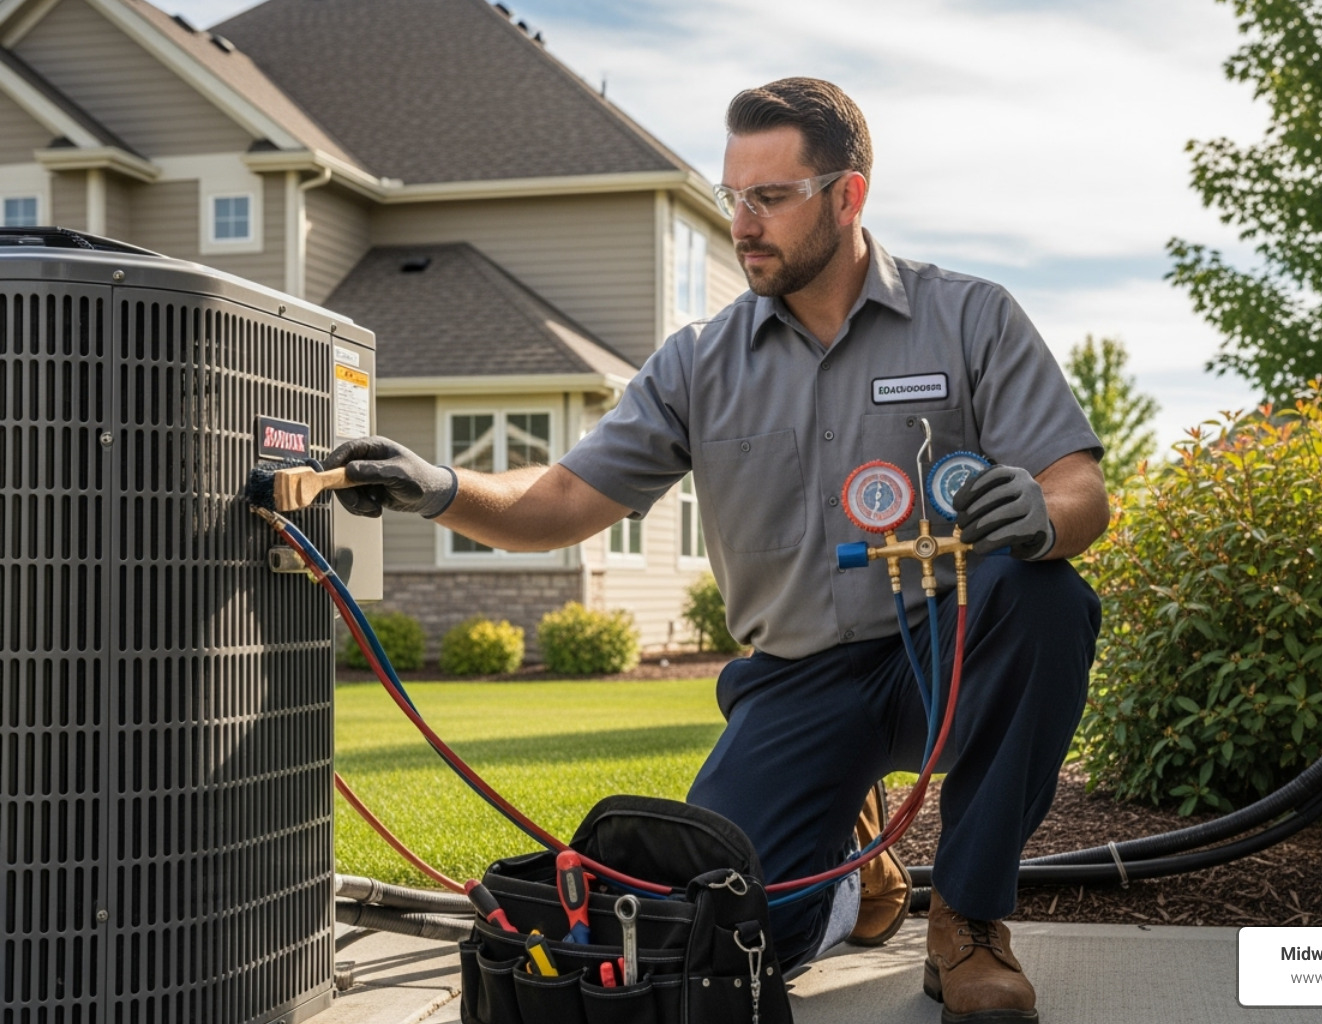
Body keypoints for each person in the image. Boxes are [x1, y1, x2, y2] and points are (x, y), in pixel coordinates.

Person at [326, 78, 1107, 1023]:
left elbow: (1080, 488)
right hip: (795, 680)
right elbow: (566, 496)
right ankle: (860, 881)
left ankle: (971, 924)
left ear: (847, 196)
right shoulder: (699, 361)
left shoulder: (971, 318)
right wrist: (444, 490)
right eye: (733, 196)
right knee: (718, 941)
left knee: (1048, 598)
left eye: (769, 197)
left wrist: (1043, 508)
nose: (742, 224)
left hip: (944, 652)